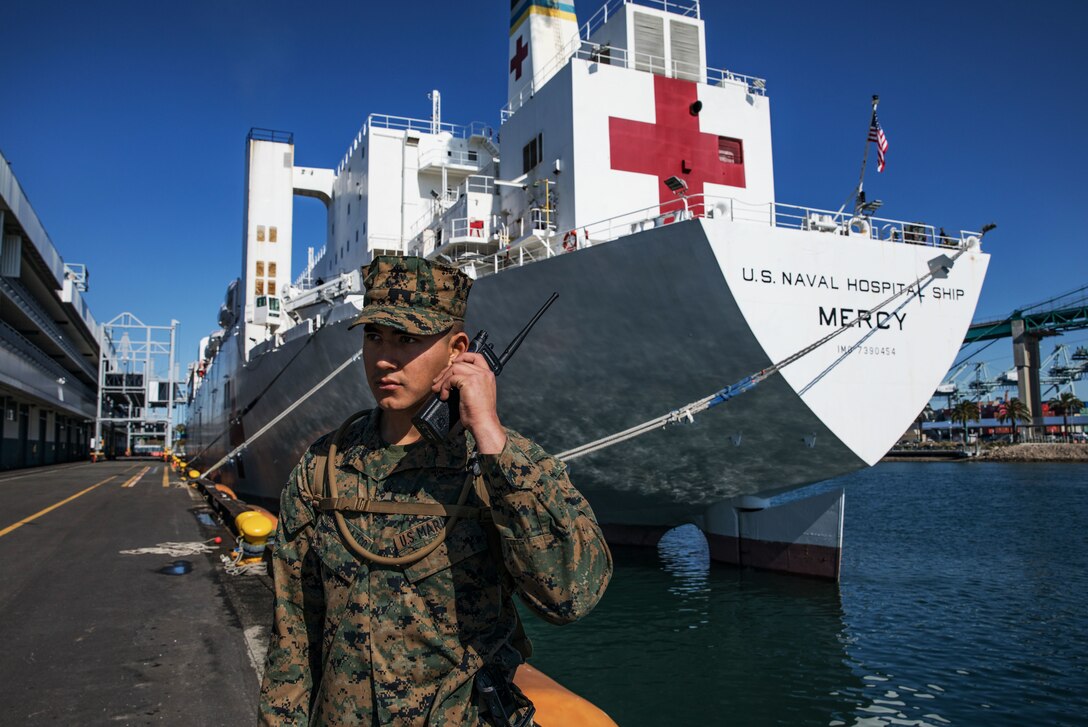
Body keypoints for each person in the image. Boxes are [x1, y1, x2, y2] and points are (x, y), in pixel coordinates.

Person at [259, 256, 613, 726]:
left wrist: (489, 433)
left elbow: (569, 595)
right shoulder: (323, 467)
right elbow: (294, 636)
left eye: (407, 339)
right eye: (373, 336)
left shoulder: (501, 464)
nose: (384, 357)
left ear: (458, 349)